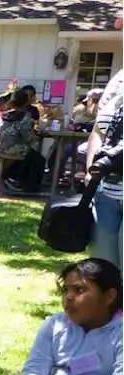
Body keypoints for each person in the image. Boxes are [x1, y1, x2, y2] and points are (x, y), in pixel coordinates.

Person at [89, 67, 124, 269]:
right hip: (106, 193)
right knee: (105, 270)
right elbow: (98, 130)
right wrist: (90, 170)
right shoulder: (118, 81)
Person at [0, 89, 45, 193]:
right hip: (13, 148)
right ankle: (26, 185)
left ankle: (13, 177)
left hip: (0, 146)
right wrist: (36, 139)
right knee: (38, 158)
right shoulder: (25, 117)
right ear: (26, 102)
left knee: (30, 154)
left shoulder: (4, 115)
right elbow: (29, 136)